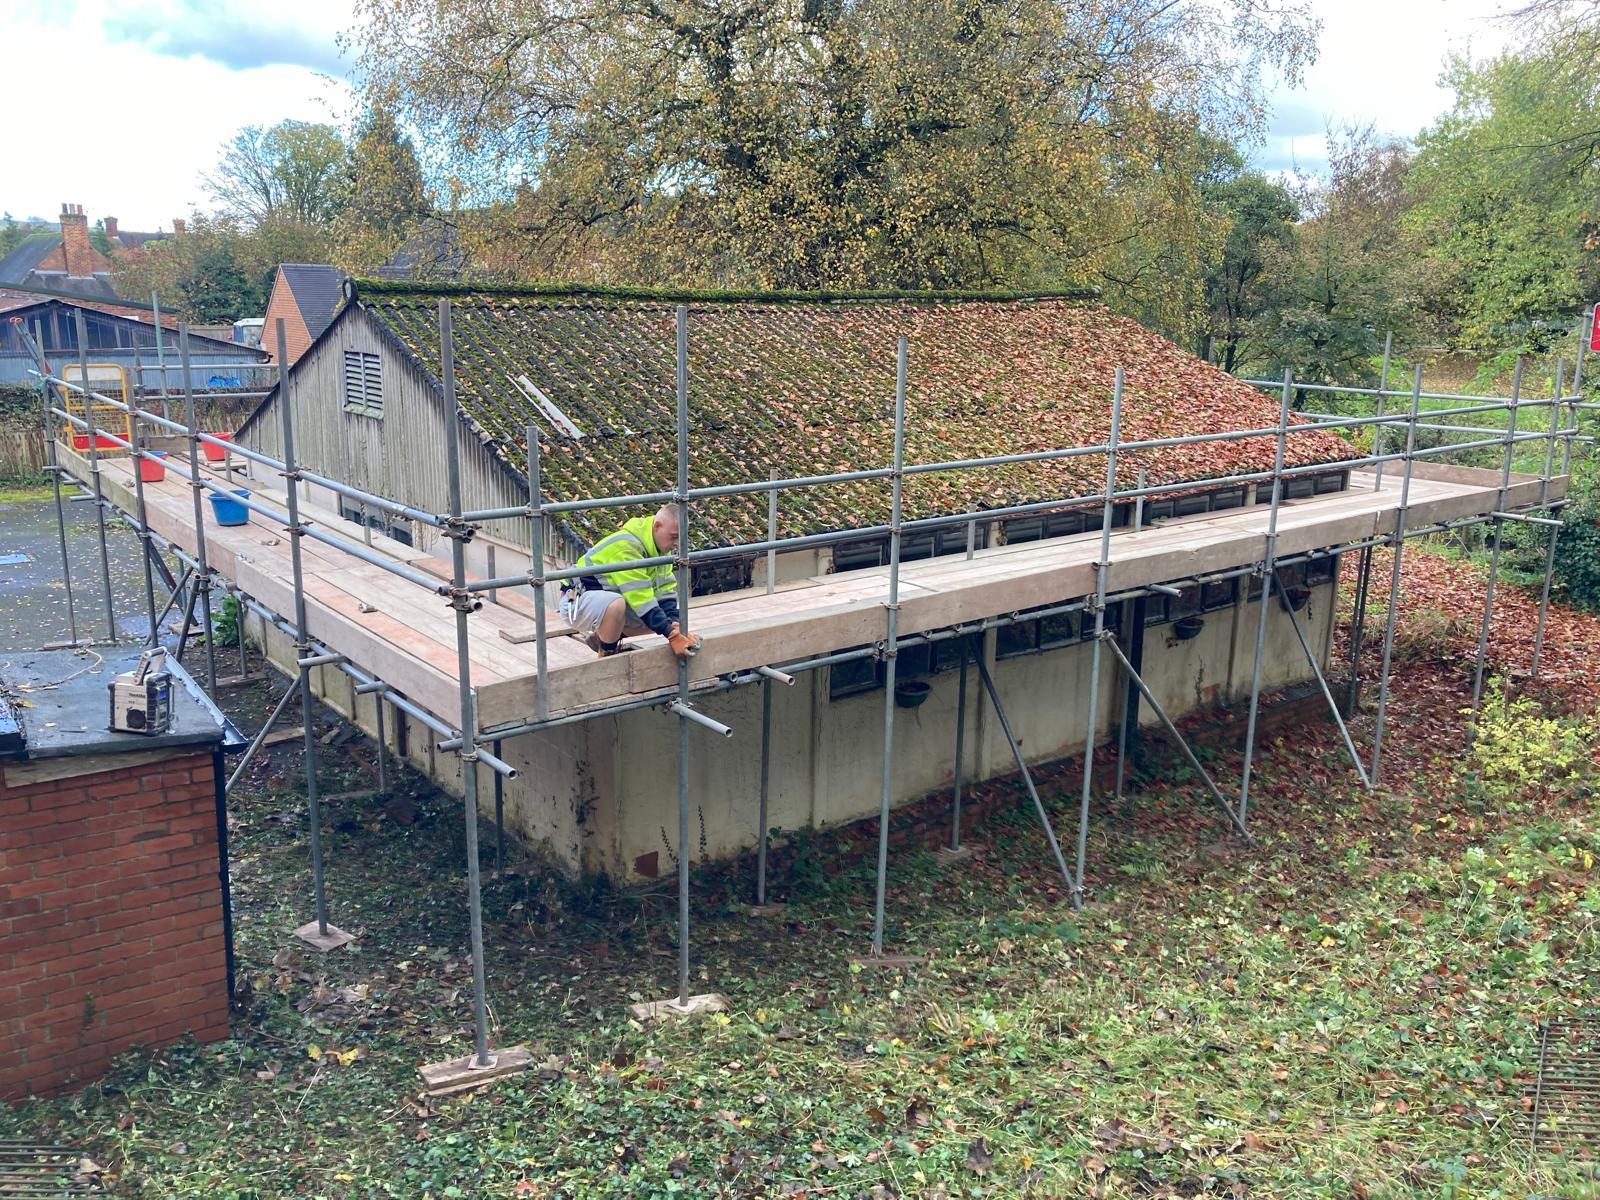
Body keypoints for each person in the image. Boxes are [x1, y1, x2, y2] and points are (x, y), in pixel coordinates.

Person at [559, 505, 702, 660]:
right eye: (674, 536)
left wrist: (676, 626)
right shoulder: (627, 548)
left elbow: (665, 593)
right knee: (619, 605)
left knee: (662, 620)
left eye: (681, 537)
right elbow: (641, 599)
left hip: (605, 599)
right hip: (576, 601)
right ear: (657, 526)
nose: (677, 543)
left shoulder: (660, 550)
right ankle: (608, 656)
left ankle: (602, 637)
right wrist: (673, 636)